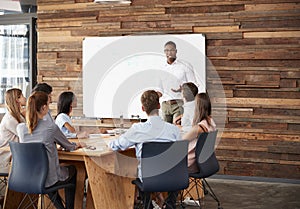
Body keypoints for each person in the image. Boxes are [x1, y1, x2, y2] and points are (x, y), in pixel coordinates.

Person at [109, 90, 181, 209]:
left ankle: (149, 205)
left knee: (138, 171)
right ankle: (169, 204)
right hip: (172, 177)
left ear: (143, 108)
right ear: (159, 106)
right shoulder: (173, 130)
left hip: (149, 179)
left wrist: (110, 142)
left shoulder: (137, 129)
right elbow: (179, 154)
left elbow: (117, 145)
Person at [17, 91, 86, 209]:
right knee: (72, 170)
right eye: (48, 105)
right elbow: (69, 146)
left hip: (27, 177)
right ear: (44, 108)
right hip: (47, 179)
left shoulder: (21, 129)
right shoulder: (50, 127)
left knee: (46, 174)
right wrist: (78, 145)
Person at [157, 41, 197, 124]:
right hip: (165, 105)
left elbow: (194, 86)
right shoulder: (161, 68)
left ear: (176, 51)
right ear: (164, 52)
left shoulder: (185, 65)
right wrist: (154, 95)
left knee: (178, 129)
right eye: (167, 50)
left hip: (179, 103)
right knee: (165, 132)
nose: (169, 52)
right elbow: (160, 89)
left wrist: (183, 89)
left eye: (172, 50)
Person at [0, 88, 26, 197]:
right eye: (22, 96)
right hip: (7, 160)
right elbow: (27, 136)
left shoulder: (18, 116)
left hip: (16, 158)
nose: (25, 98)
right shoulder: (10, 119)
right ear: (17, 100)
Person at [182, 92, 217, 173]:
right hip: (204, 163)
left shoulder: (199, 128)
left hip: (191, 164)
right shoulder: (211, 122)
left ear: (197, 107)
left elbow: (180, 141)